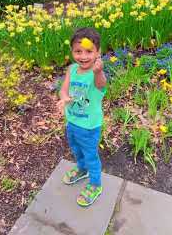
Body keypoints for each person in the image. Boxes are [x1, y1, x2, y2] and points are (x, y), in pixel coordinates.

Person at [57, 27, 107, 207]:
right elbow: (64, 88)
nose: (83, 56)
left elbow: (101, 85)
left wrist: (98, 72)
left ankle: (95, 184)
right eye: (78, 51)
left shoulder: (96, 74)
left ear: (97, 53)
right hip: (72, 122)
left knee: (90, 154)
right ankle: (82, 170)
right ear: (72, 52)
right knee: (76, 149)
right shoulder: (72, 69)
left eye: (88, 51)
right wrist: (64, 98)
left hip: (89, 126)